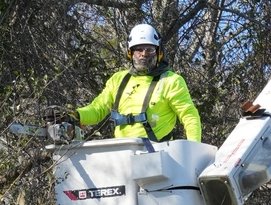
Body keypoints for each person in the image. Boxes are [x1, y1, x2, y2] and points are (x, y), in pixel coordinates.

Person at [45, 24, 201, 143]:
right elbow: (97, 109)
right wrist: (74, 115)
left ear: (159, 52)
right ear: (130, 52)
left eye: (149, 49)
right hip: (121, 153)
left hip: (158, 154)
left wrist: (193, 152)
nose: (143, 54)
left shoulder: (171, 81)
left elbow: (190, 117)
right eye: (138, 49)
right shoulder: (118, 79)